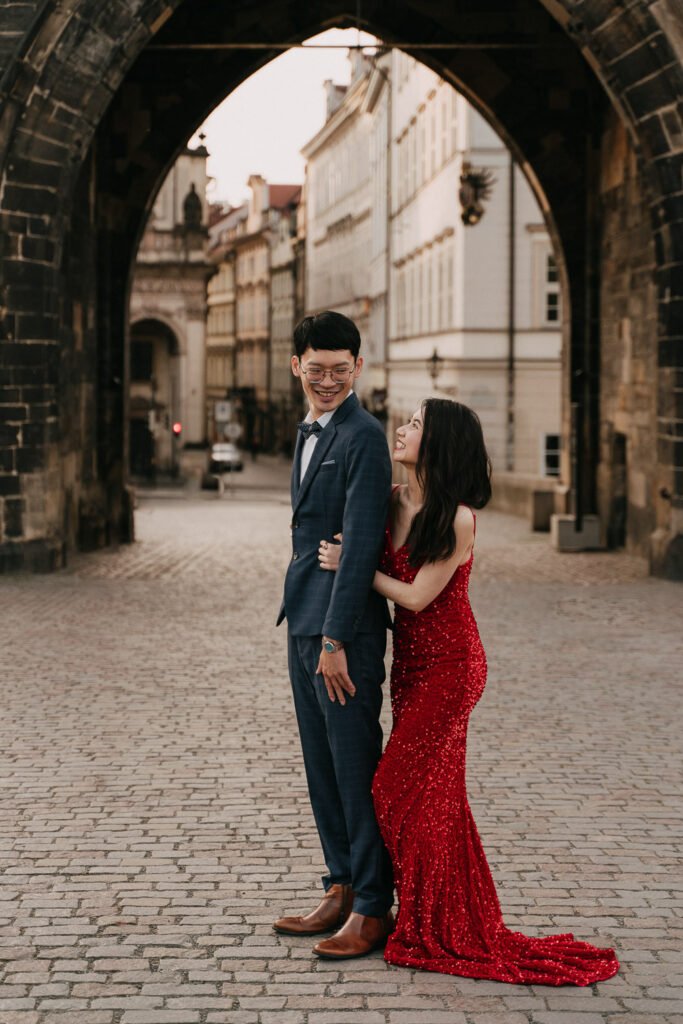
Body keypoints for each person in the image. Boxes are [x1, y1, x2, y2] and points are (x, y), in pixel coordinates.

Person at [317, 398, 620, 984]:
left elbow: (415, 598)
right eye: (405, 422)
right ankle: (435, 916)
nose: (401, 430)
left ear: (439, 444)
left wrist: (349, 565)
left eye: (413, 425)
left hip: (452, 667)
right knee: (436, 799)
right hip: (410, 666)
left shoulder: (457, 518)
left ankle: (435, 921)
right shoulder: (391, 503)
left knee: (395, 784)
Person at [273, 310, 395, 959]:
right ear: (296, 365)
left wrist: (334, 640)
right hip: (303, 618)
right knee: (320, 767)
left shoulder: (363, 435)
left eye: (339, 371)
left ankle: (373, 906)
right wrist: (308, 628)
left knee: (353, 767)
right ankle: (341, 884)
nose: (327, 382)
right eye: (316, 370)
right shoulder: (312, 430)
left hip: (341, 634)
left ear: (358, 368)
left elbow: (360, 545)